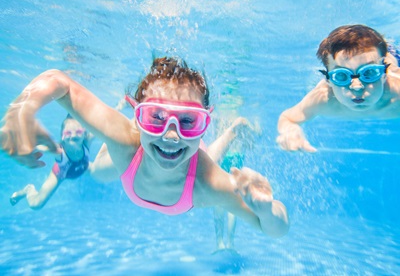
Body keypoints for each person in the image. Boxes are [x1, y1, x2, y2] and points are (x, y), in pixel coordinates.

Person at [0, 57, 289, 238]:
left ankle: (232, 128)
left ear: (205, 121)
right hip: (128, 160)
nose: (172, 135)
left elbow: (276, 230)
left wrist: (267, 209)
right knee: (99, 169)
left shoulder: (209, 181)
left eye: (189, 120)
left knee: (206, 160)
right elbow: (58, 81)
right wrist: (20, 111)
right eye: (156, 117)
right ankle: (154, 121)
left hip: (190, 174)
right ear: (138, 117)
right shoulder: (125, 139)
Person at [276, 24, 400, 152]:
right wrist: (290, 131)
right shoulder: (323, 98)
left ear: (384, 74)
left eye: (369, 72)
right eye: (341, 76)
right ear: (328, 80)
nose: (357, 87)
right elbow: (288, 118)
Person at [9, 115, 93, 209]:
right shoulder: (58, 151)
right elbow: (40, 147)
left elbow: (105, 126)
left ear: (85, 133)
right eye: (68, 133)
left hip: (84, 166)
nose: (73, 135)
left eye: (78, 132)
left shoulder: (87, 141)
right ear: (62, 137)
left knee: (102, 168)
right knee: (36, 205)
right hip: (61, 173)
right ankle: (28, 190)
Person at [207, 117, 251, 250]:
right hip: (236, 158)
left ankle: (220, 242)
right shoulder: (243, 121)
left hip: (224, 157)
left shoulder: (219, 120)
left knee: (218, 203)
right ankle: (230, 243)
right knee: (233, 205)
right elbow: (252, 138)